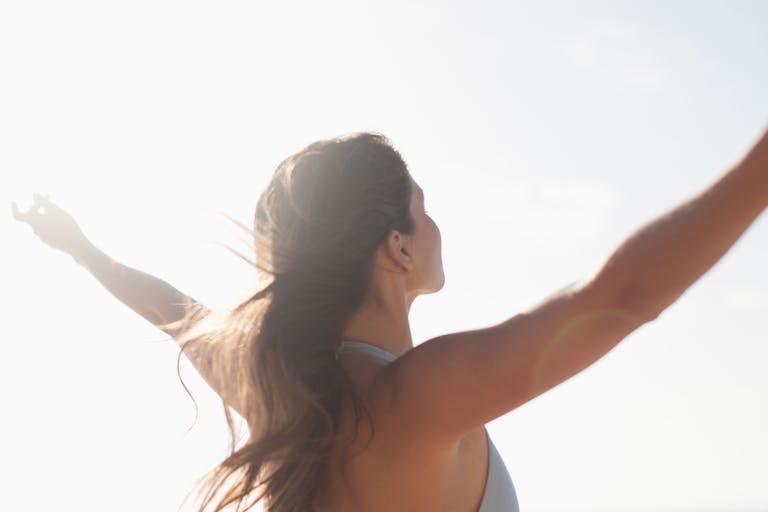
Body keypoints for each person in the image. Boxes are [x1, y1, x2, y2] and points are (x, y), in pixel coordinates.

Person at [12, 129, 768, 512]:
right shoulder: (412, 399)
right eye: (424, 208)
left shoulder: (289, 393)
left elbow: (173, 312)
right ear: (397, 248)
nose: (438, 225)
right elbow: (622, 295)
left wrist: (84, 252)